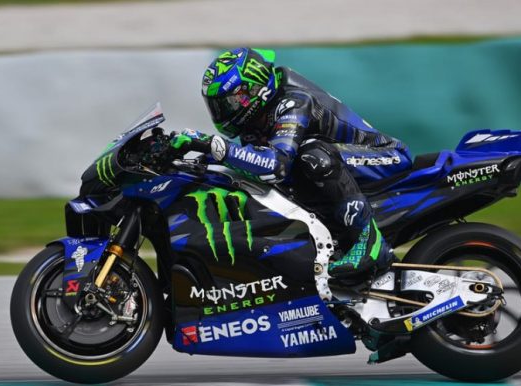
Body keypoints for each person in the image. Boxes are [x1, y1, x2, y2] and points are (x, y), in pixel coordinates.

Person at [170, 48, 411, 280]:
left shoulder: (294, 101)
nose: (223, 112)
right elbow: (252, 164)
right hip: (346, 166)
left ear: (254, 89)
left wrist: (213, 145)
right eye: (217, 106)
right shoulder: (255, 123)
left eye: (230, 102)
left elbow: (275, 166)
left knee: (313, 154)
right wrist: (198, 155)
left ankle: (370, 242)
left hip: (386, 156)